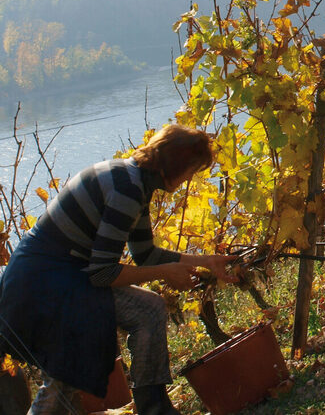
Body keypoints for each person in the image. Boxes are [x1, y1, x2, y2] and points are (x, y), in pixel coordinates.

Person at [0, 124, 236, 415]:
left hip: (62, 277)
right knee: (66, 370)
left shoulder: (133, 180)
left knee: (148, 308)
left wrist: (206, 261)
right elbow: (102, 274)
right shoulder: (127, 190)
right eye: (191, 171)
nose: (190, 179)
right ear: (176, 165)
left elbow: (146, 254)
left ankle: (154, 406)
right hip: (42, 286)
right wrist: (166, 272)